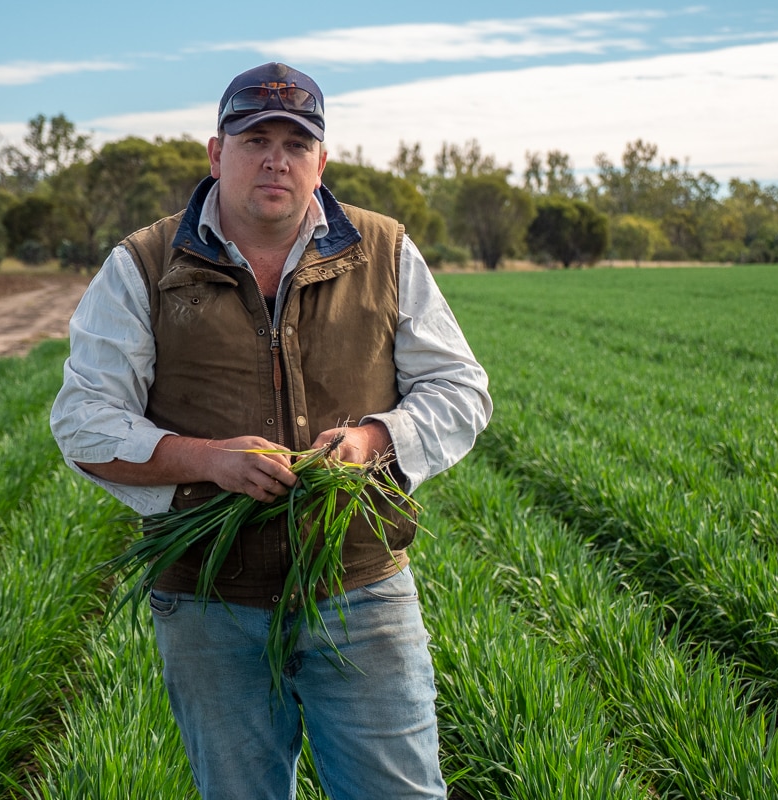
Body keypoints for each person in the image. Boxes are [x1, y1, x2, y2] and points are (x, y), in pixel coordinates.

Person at [50, 62, 492, 800]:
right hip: (208, 604)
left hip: (361, 592)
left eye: (296, 142)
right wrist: (205, 460)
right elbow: (83, 421)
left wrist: (371, 444)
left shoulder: (382, 251)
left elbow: (460, 390)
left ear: (321, 162)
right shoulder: (145, 263)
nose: (275, 158)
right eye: (255, 137)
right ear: (217, 153)